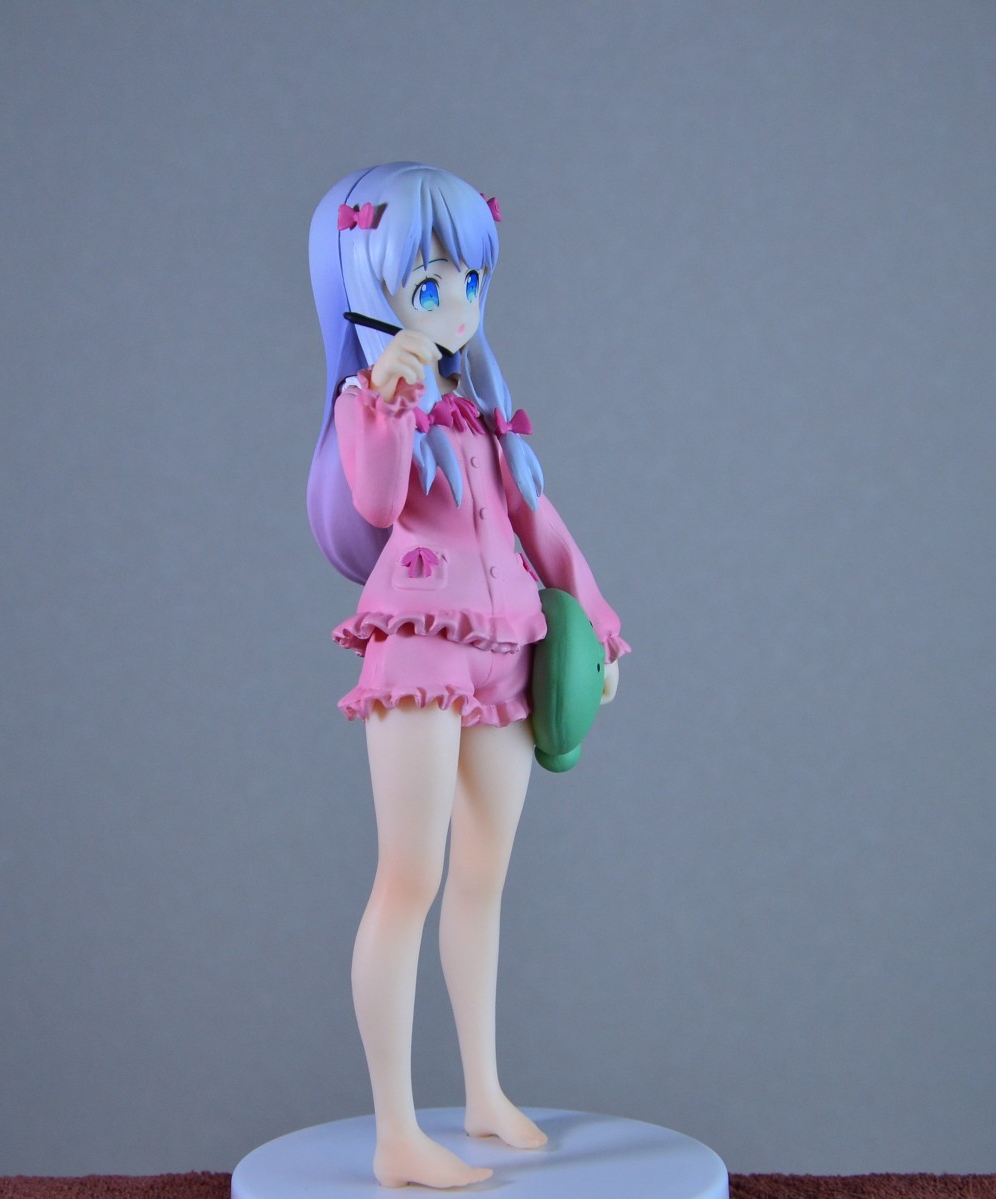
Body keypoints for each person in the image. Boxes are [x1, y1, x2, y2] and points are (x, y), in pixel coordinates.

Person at [306, 162, 628, 1189]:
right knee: (410, 876)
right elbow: (376, 498)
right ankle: (396, 1129)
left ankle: (483, 1089)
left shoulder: (484, 415)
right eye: (427, 284)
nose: (455, 304)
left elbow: (540, 521)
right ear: (365, 285)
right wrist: (389, 396)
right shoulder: (372, 404)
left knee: (483, 875)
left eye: (468, 281)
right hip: (419, 645)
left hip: (508, 645)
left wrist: (599, 630)